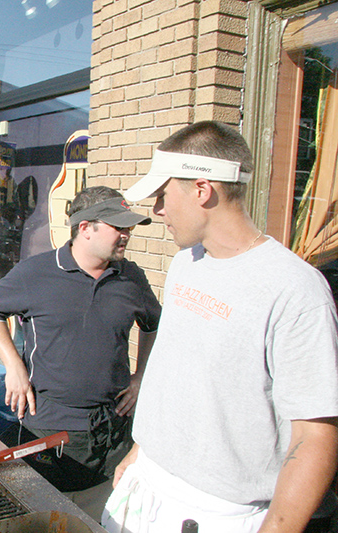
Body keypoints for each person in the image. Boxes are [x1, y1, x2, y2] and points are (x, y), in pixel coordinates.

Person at [102, 121, 338, 533]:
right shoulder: (185, 264)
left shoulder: (296, 289)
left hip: (220, 515)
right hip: (145, 489)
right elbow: (175, 370)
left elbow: (315, 435)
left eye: (162, 195)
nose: (157, 211)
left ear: (201, 189)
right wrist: (141, 450)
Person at [0, 186, 160, 518]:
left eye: (129, 228)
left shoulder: (131, 278)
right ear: (85, 228)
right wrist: (13, 366)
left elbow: (153, 325)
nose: (127, 235)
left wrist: (141, 376)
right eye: (119, 227)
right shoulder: (36, 273)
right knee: (43, 518)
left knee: (96, 521)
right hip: (48, 426)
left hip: (113, 429)